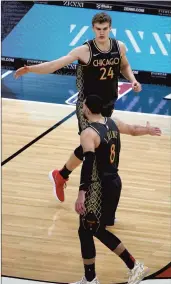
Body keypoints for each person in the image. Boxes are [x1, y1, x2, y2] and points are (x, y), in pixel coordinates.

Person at [15, 12, 141, 207]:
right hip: (87, 108)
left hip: (107, 105)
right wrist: (31, 69)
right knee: (94, 149)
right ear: (93, 29)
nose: (101, 32)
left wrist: (132, 80)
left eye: (104, 29)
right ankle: (93, 200)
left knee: (89, 147)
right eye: (98, 29)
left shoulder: (119, 47)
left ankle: (61, 175)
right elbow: (55, 64)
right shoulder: (85, 50)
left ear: (110, 28)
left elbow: (124, 66)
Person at [73, 94, 161, 284]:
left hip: (99, 187)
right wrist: (147, 130)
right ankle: (92, 278)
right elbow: (132, 130)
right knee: (92, 229)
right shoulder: (112, 123)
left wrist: (82, 192)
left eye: (83, 106)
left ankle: (131, 266)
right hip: (114, 183)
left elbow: (88, 164)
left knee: (90, 229)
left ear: (87, 109)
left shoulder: (88, 133)